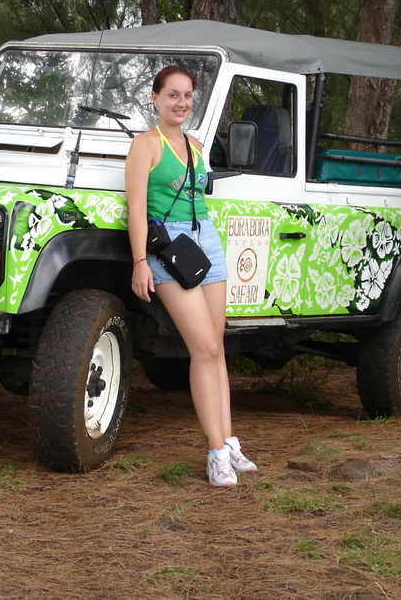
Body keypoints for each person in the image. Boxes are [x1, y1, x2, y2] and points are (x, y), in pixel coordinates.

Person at [125, 65, 257, 487]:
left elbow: (199, 197)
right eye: (173, 95)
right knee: (201, 348)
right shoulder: (145, 145)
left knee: (217, 348)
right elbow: (138, 210)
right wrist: (140, 262)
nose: (181, 103)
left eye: (187, 96)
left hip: (207, 244)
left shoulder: (197, 145)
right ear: (155, 98)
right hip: (168, 249)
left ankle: (229, 441)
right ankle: (215, 453)